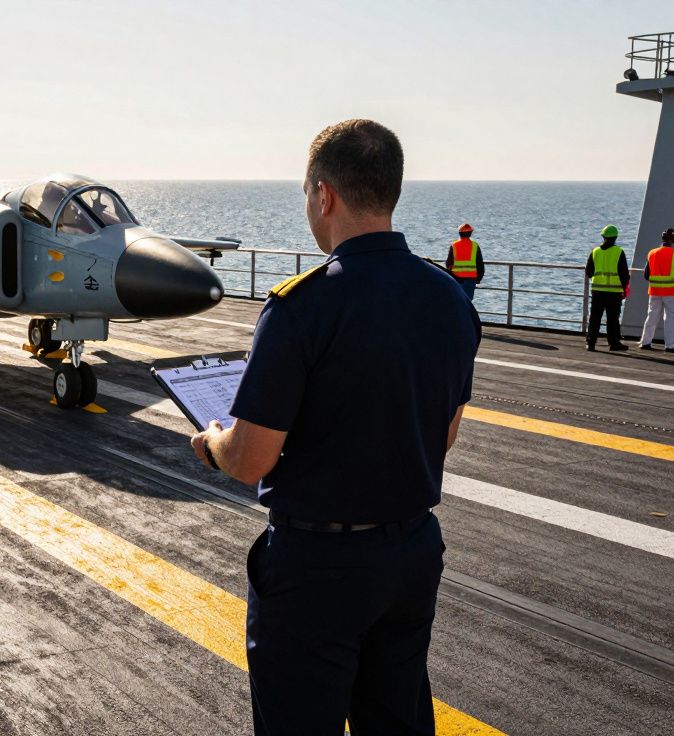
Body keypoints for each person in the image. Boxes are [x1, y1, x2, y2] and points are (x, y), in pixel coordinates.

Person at [190, 119, 480, 735]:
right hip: (411, 554)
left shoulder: (301, 305)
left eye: (306, 194)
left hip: (317, 565)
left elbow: (251, 459)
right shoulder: (450, 297)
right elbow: (445, 435)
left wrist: (214, 442)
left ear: (324, 195)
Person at [585, 225, 631, 352]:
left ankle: (591, 343)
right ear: (615, 238)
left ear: (603, 236)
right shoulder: (619, 252)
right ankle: (614, 343)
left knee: (595, 318)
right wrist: (624, 289)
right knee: (613, 319)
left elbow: (589, 272)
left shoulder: (595, 252)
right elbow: (624, 274)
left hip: (597, 291)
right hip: (614, 292)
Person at [640, 227, 674, 353]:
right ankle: (670, 345)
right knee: (670, 318)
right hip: (671, 292)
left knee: (652, 316)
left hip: (655, 291)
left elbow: (646, 275)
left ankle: (645, 342)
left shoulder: (652, 253)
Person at [445, 222, 485, 299]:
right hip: (470, 280)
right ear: (470, 233)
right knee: (467, 301)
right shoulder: (475, 246)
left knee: (456, 300)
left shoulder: (454, 245)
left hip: (456, 279)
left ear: (459, 233)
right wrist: (478, 279)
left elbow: (448, 263)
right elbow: (480, 264)